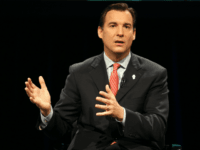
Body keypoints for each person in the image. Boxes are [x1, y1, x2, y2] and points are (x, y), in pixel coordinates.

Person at [24, 3, 169, 150]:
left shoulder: (154, 73)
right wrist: (47, 112)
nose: (120, 33)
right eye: (113, 25)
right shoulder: (79, 72)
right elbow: (62, 129)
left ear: (134, 34)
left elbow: (157, 127)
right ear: (100, 31)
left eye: (126, 26)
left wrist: (123, 114)